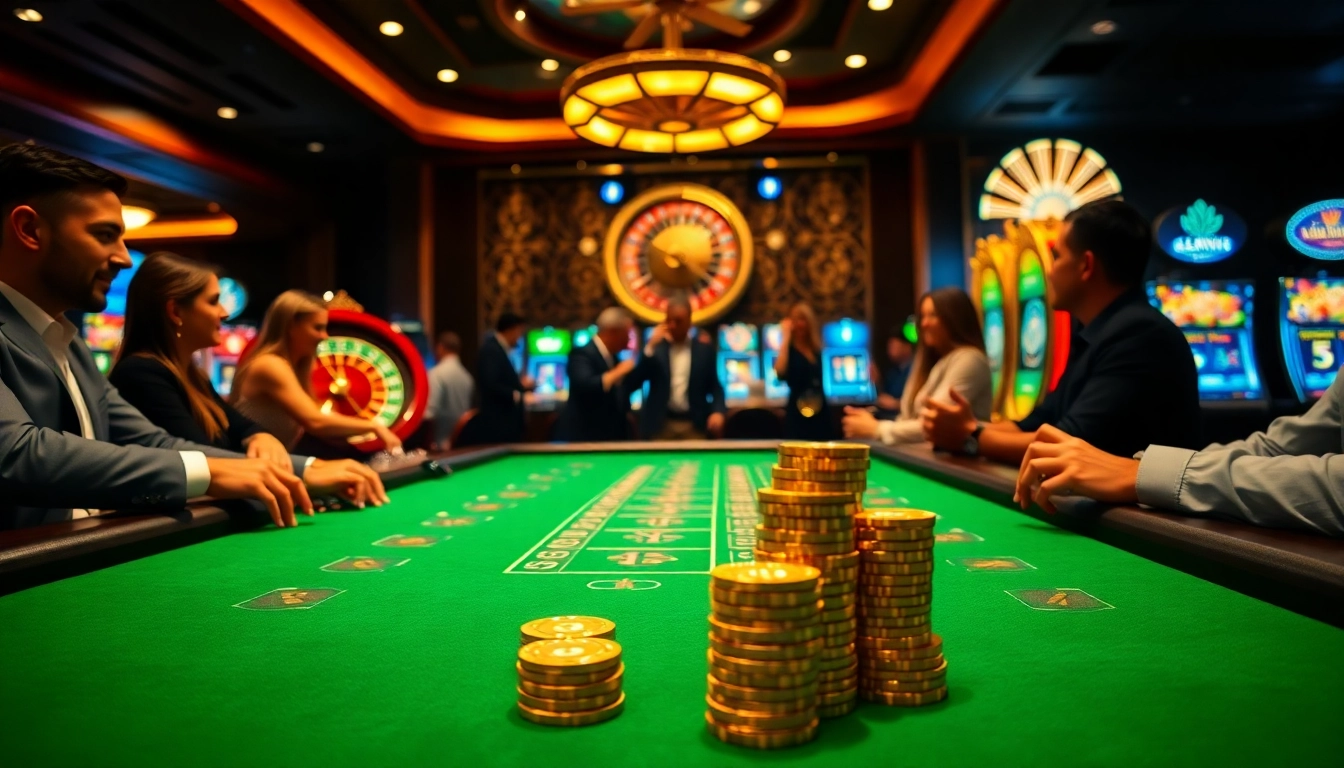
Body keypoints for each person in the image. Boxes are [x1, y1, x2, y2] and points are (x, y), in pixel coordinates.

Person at [0, 143, 313, 529]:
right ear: (30, 230)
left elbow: (157, 443)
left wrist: (307, 470)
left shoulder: (70, 344)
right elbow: (16, 453)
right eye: (104, 235)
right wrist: (207, 474)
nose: (124, 257)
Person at [921, 199, 1200, 464]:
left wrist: (970, 437)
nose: (1049, 272)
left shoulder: (1140, 335)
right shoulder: (1096, 331)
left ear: (1086, 266)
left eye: (1056, 257)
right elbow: (1040, 422)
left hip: (1142, 515)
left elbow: (1069, 443)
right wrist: (968, 427)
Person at [108, 252, 389, 507]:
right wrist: (307, 472)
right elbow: (202, 461)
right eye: (213, 301)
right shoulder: (141, 374)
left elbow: (239, 426)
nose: (225, 313)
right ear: (176, 312)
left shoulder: (193, 376)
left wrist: (260, 435)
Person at [1013, 370, 1344, 537]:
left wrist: (1145, 475)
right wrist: (1136, 468)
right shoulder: (1086, 342)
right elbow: (1280, 447)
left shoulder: (1138, 334)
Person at [229, 290, 402, 453]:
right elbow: (315, 421)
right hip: (244, 469)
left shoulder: (293, 368)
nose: (324, 336)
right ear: (291, 326)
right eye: (317, 328)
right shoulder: (270, 365)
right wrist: (374, 426)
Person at [843, 287, 992, 445]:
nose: (924, 323)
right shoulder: (936, 361)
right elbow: (907, 418)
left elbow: (934, 424)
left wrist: (876, 428)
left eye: (933, 315)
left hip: (961, 466)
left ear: (955, 318)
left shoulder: (970, 359)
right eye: (923, 316)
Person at [634, 297, 725, 440]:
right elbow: (634, 382)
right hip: (661, 425)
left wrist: (718, 411)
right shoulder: (655, 349)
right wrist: (649, 348)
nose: (672, 325)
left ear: (689, 322)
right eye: (668, 320)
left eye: (678, 321)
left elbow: (715, 386)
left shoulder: (704, 350)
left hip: (694, 424)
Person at [554, 307, 639, 442]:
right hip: (586, 436)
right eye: (627, 333)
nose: (629, 339)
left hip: (611, 435)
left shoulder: (613, 357)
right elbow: (586, 385)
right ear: (613, 332)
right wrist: (618, 372)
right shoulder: (581, 353)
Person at [775, 302, 833, 441]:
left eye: (803, 319)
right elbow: (779, 372)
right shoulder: (789, 350)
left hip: (819, 409)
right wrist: (786, 337)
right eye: (796, 320)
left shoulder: (816, 349)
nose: (800, 324)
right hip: (797, 411)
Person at [475, 312, 533, 443]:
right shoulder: (491, 349)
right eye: (519, 332)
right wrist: (516, 394)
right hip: (497, 423)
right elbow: (491, 384)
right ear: (511, 329)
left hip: (506, 423)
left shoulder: (500, 349)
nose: (519, 337)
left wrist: (520, 387)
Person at [425, 330, 474, 449]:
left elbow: (429, 413)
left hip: (439, 445)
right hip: (461, 444)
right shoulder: (467, 377)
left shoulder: (436, 374)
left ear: (440, 347)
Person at [876, 324, 915, 416]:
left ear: (907, 347)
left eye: (894, 345)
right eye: (889, 345)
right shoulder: (892, 372)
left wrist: (896, 404)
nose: (889, 348)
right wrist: (877, 381)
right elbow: (884, 398)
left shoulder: (915, 371)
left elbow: (918, 405)